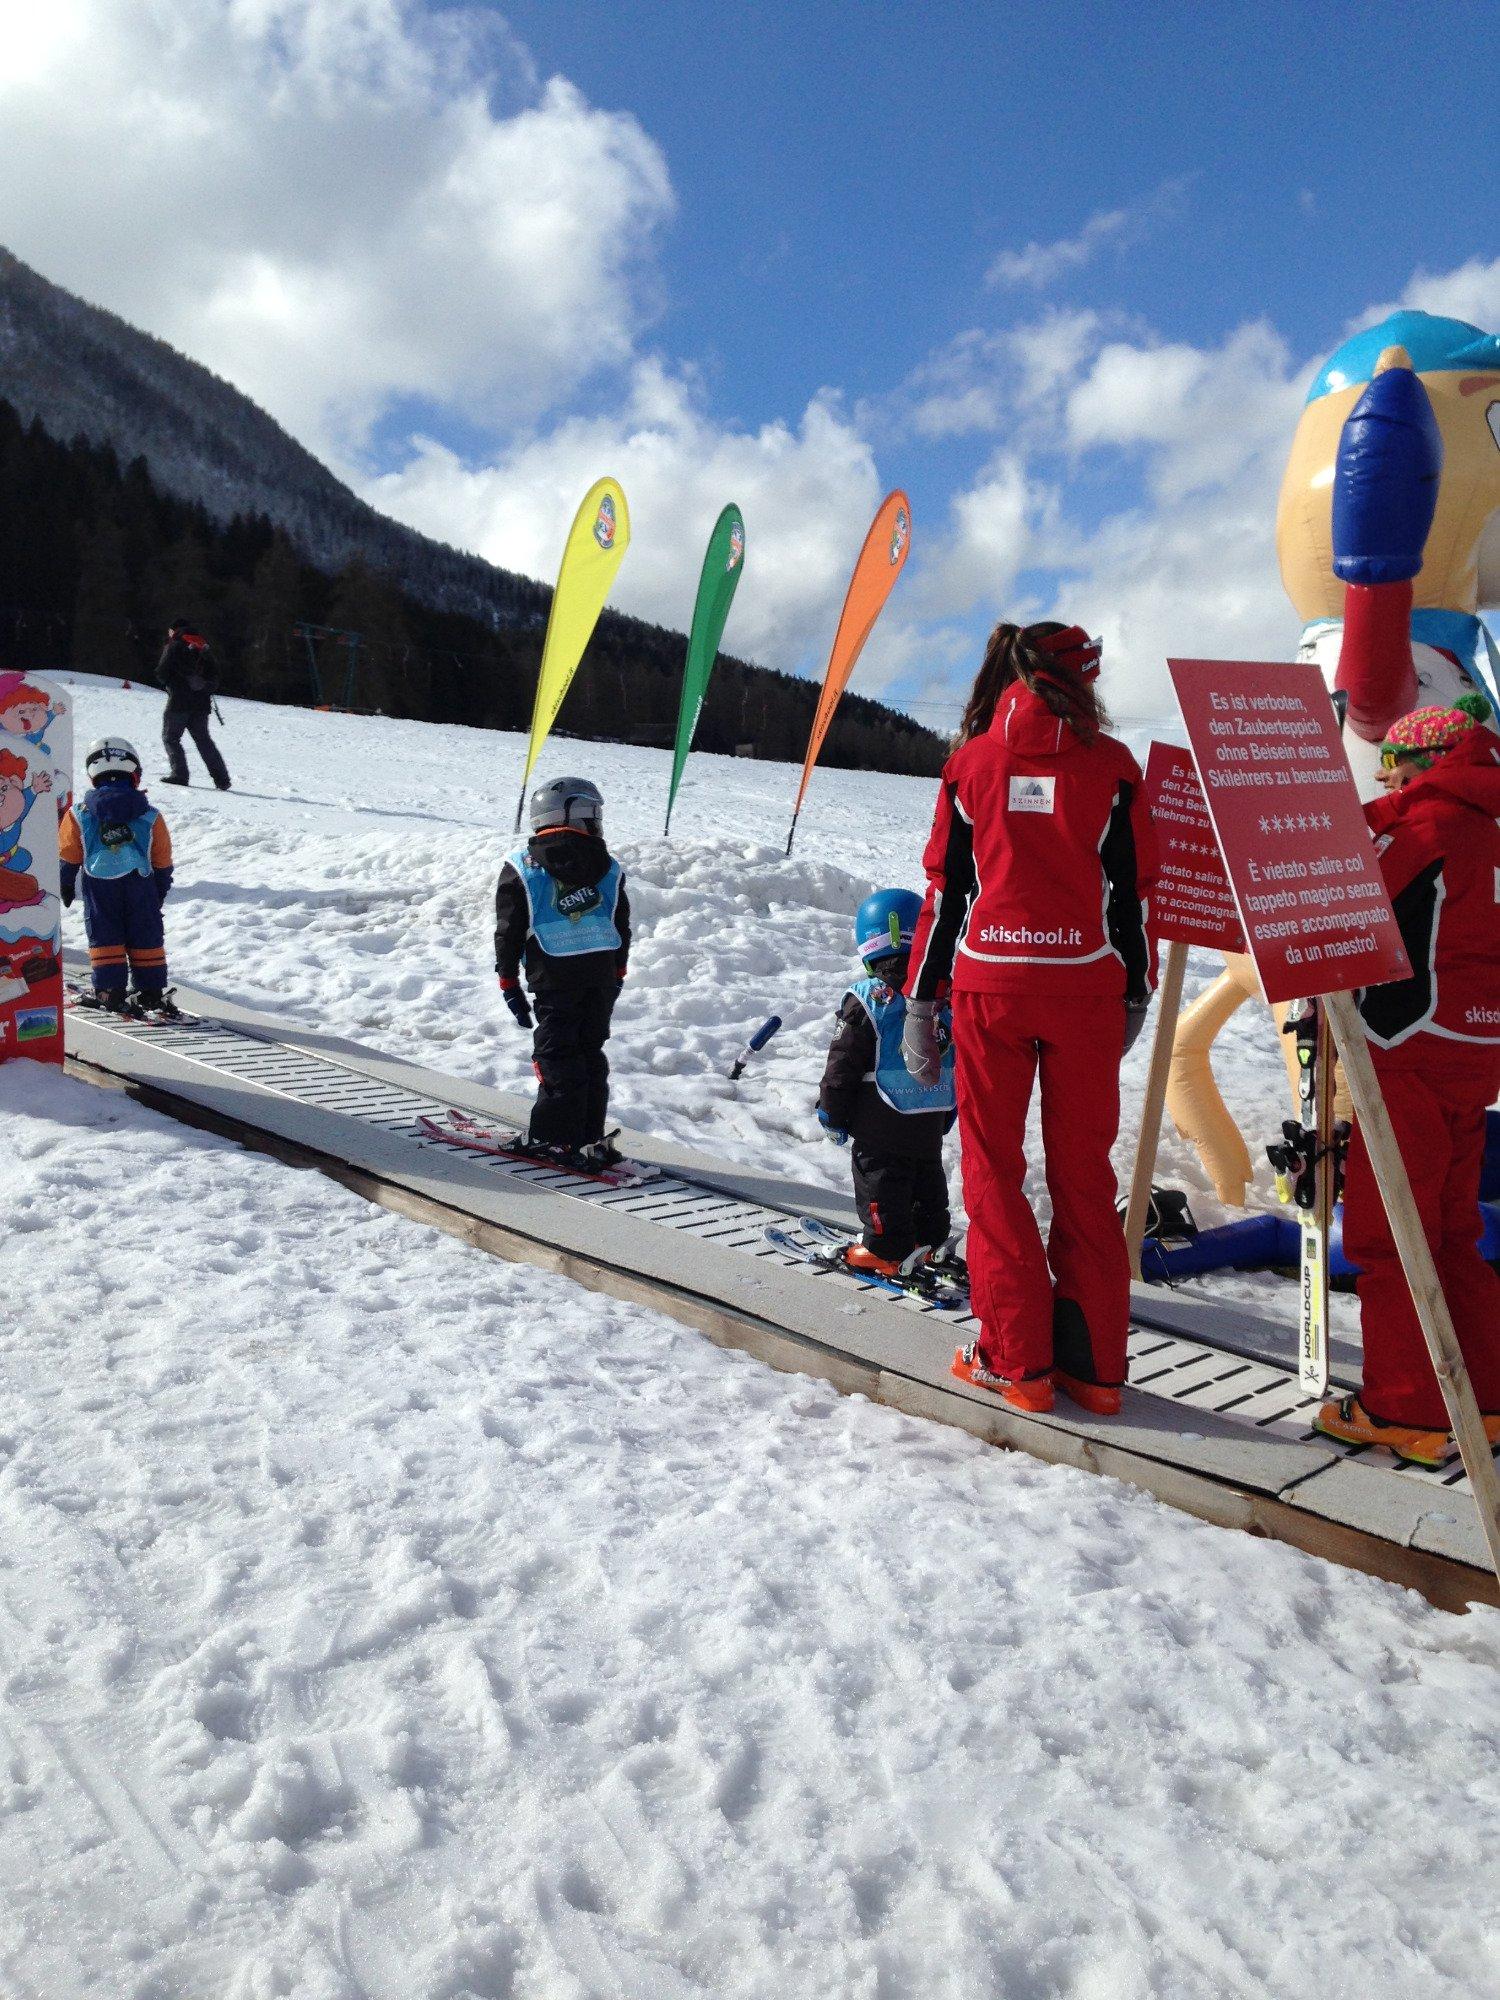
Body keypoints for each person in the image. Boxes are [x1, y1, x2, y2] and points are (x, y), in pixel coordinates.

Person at [903, 620, 1158, 1416]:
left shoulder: (970, 763)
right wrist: (1136, 990)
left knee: (994, 1174)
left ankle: (1017, 1363)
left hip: (992, 992)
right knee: (1086, 1179)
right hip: (1085, 991)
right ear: (1085, 681)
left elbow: (946, 896)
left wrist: (919, 998)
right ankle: (1094, 1371)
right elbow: (1133, 893)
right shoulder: (1114, 768)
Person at [1314, 692, 1500, 1464]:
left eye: (1396, 767)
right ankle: (1483, 1394)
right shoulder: (1489, 822)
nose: (1389, 783)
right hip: (1476, 1046)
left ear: (1428, 763)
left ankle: (1406, 1408)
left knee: (1392, 1231)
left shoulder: (1428, 824)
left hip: (1411, 1042)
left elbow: (1359, 898)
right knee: (1454, 1229)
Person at [817, 888, 956, 1275]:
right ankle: (927, 1241)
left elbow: (842, 1063)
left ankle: (884, 1249)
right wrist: (949, 1109)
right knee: (925, 1173)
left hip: (880, 1115)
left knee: (880, 1179)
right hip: (930, 1110)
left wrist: (831, 1112)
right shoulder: (944, 995)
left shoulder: (867, 998)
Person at [494, 775, 631, 1165]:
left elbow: (509, 931)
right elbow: (622, 925)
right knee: (589, 1053)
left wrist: (508, 982)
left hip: (554, 977)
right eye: (592, 814)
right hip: (601, 975)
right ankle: (587, 1135)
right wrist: (618, 973)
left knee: (556, 1056)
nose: (596, 822)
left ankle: (554, 1137)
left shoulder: (523, 867)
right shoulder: (608, 867)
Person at [59, 737, 176, 1013]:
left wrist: (65, 882)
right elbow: (162, 856)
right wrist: (160, 887)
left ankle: (109, 990)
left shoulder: (78, 814)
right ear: (134, 774)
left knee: (105, 933)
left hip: (100, 885)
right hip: (142, 883)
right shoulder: (150, 815)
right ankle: (150, 990)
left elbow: (68, 852)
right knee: (146, 933)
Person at [157, 620, 231, 790]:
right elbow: (215, 675)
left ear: (173, 630)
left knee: (171, 738)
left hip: (178, 702)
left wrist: (173, 684)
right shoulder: (202, 646)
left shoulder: (174, 645)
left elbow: (161, 672)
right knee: (204, 740)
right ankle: (222, 779)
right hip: (201, 704)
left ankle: (179, 774)